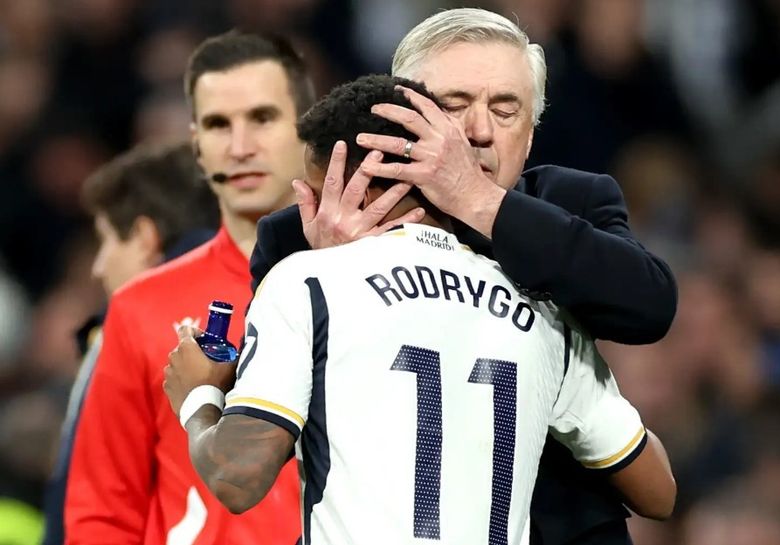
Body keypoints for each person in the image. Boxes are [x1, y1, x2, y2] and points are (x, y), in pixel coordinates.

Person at [164, 74, 676, 545]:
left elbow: (238, 477)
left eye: (318, 193)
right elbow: (659, 493)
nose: (313, 214)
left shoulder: (308, 283)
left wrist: (199, 397)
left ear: (362, 185)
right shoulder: (542, 313)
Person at [63, 32, 319, 545]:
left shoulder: (368, 286)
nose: (240, 147)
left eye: (262, 118)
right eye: (219, 124)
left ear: (307, 131)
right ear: (197, 146)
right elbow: (102, 514)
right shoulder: (139, 307)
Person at [42, 141, 219, 545]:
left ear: (143, 237)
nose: (98, 266)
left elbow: (98, 500)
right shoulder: (267, 300)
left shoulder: (130, 325)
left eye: (105, 240)